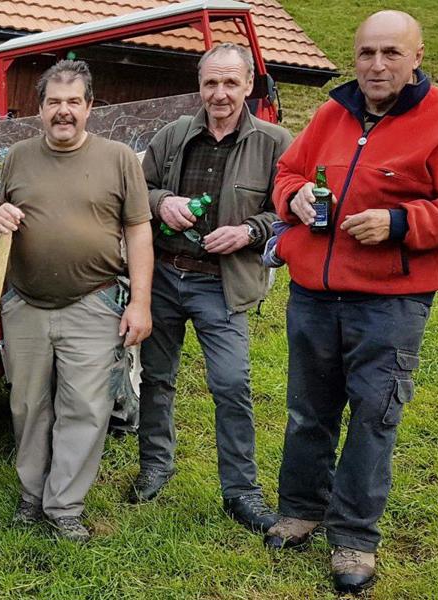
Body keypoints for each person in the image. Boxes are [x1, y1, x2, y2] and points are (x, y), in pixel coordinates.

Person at [264, 11, 438, 594]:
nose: (376, 64)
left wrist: (401, 222)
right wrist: (293, 199)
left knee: (373, 418)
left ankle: (354, 537)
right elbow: (288, 170)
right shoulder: (331, 113)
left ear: (417, 56)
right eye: (367, 52)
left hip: (390, 302)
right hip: (314, 293)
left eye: (391, 53)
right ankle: (301, 509)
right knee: (307, 411)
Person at [0, 60, 153, 543]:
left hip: (93, 300)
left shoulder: (119, 158)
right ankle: (30, 494)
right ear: (39, 110)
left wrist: (140, 301)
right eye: (54, 102)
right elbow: (4, 213)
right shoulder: (17, 156)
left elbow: (139, 231)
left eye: (73, 102)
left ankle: (63, 507)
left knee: (85, 406)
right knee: (26, 404)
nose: (64, 111)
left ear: (90, 107)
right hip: (25, 303)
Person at [134, 43, 292, 534]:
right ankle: (156, 466)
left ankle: (241, 491)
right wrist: (162, 203)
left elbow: (289, 209)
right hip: (164, 275)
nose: (219, 93)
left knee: (230, 384)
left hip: (221, 284)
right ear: (199, 86)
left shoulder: (275, 142)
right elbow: (137, 189)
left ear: (249, 85)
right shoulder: (174, 134)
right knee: (156, 378)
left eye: (230, 83)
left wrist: (251, 232)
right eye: (210, 83)